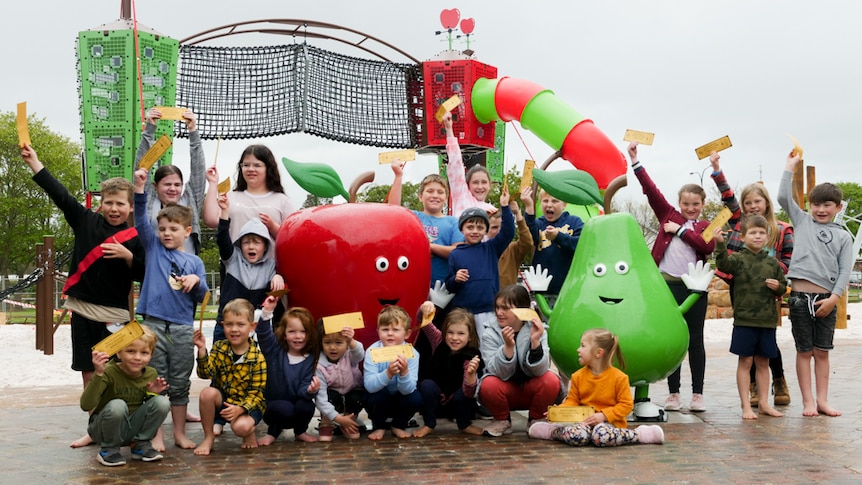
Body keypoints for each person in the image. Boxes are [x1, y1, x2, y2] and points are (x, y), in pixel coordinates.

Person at [21, 144, 146, 449]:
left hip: (115, 317)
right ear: (101, 203)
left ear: (130, 208)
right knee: (89, 372)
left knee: (120, 374)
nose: (114, 209)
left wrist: (128, 256)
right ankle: (94, 428)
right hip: (81, 311)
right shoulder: (85, 220)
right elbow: (59, 194)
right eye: (109, 203)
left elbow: (144, 273)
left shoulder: (135, 237)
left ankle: (123, 427)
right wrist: (35, 162)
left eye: (120, 204)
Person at [628, 142, 715, 412]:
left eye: (695, 204)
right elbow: (651, 192)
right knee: (673, 339)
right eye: (686, 204)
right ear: (679, 203)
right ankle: (673, 393)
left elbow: (706, 246)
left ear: (702, 205)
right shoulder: (667, 214)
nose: (690, 208)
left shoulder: (705, 225)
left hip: (694, 289)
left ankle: (697, 394)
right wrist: (635, 161)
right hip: (666, 286)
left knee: (695, 339)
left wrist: (679, 231)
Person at [710, 151, 794, 407]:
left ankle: (778, 379)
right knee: (748, 339)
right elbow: (727, 194)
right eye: (748, 203)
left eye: (757, 201)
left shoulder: (780, 229)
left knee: (767, 339)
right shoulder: (741, 224)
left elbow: (788, 262)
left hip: (769, 290)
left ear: (766, 202)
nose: (752, 206)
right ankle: (755, 389)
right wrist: (716, 168)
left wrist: (768, 271)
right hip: (743, 287)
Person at [133, 169, 209, 450]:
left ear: (186, 232)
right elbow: (140, 219)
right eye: (162, 229)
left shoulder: (195, 263)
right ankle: (156, 434)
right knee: (155, 378)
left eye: (173, 229)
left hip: (181, 326)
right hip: (153, 323)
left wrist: (197, 282)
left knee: (179, 381)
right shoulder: (153, 247)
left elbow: (203, 298)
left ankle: (178, 433)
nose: (166, 233)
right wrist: (140, 189)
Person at [778, 152, 854, 417]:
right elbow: (782, 198)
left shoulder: (843, 237)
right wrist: (789, 167)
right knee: (804, 351)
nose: (821, 210)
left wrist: (834, 299)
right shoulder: (802, 222)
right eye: (816, 204)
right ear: (809, 205)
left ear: (838, 207)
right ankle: (808, 401)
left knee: (822, 352)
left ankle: (822, 400)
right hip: (800, 298)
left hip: (826, 300)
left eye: (828, 205)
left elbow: (845, 270)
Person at [527, 329, 664, 446]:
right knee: (577, 435)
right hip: (584, 423)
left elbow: (627, 405)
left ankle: (639, 434)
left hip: (610, 425)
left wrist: (604, 416)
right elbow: (573, 401)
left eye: (583, 346)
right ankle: (553, 431)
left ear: (598, 353)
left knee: (601, 436)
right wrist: (559, 411)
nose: (578, 350)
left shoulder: (619, 378)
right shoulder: (578, 376)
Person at [713, 215, 788, 419]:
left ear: (768, 236)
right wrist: (720, 244)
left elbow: (783, 286)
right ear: (743, 237)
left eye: (761, 233)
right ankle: (746, 406)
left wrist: (778, 287)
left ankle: (764, 403)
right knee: (745, 362)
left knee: (763, 363)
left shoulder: (773, 263)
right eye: (753, 233)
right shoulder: (737, 259)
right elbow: (723, 265)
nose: (758, 236)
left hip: (767, 321)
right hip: (745, 321)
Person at [81, 325, 171, 466]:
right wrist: (98, 373)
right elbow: (85, 405)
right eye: (130, 351)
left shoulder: (150, 373)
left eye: (144, 353)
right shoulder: (109, 371)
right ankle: (108, 450)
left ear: (151, 355)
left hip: (130, 428)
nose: (137, 357)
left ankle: (140, 444)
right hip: (103, 429)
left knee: (162, 402)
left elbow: (146, 409)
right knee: (118, 405)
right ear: (119, 353)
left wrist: (152, 394)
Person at [478, 285, 561, 437]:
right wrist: (508, 348)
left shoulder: (538, 329)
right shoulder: (490, 332)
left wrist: (535, 342)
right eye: (497, 307)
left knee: (551, 380)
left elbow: (541, 370)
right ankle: (502, 420)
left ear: (522, 310)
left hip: (531, 390)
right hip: (505, 391)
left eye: (505, 308)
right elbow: (497, 372)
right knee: (488, 384)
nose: (499, 312)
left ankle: (536, 419)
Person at [211, 184, 285, 343]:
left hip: (253, 327)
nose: (251, 246)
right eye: (246, 242)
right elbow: (222, 239)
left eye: (256, 242)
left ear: (265, 246)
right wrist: (224, 211)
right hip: (227, 324)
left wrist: (279, 277)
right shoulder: (233, 259)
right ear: (240, 245)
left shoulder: (271, 266)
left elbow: (278, 292)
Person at [193, 298, 267, 455]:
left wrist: (240, 409)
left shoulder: (257, 358)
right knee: (207, 393)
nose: (234, 329)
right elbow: (205, 373)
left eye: (240, 324)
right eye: (229, 324)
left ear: (252, 327)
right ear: (223, 326)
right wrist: (201, 350)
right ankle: (208, 438)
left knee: (241, 427)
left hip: (248, 405)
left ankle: (249, 432)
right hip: (225, 400)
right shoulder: (220, 347)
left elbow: (257, 394)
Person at [134, 107, 206, 255]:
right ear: (155, 186)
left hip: (186, 270)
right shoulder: (149, 200)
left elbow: (198, 170)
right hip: (155, 267)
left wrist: (193, 131)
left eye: (177, 184)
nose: (173, 188)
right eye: (167, 184)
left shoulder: (189, 200)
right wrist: (149, 129)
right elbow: (141, 168)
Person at [445, 187, 515, 335]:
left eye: (480, 227)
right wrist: (456, 279)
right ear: (462, 230)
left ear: (485, 231)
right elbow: (449, 285)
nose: (475, 231)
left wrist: (505, 206)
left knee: (488, 348)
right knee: (465, 349)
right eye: (470, 227)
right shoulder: (455, 254)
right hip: (463, 313)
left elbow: (508, 232)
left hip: (488, 311)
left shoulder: (491, 248)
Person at [256, 298, 321, 445]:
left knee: (307, 405)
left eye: (303, 332)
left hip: (296, 405)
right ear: (284, 334)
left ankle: (300, 431)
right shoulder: (274, 350)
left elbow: (303, 389)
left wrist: (311, 390)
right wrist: (267, 311)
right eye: (292, 332)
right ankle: (273, 432)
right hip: (274, 405)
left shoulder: (310, 359)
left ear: (309, 334)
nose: (298, 336)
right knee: (283, 408)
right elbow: (264, 334)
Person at [389, 161, 464, 287]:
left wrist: (428, 246)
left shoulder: (454, 222)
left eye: (440, 192)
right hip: (411, 284)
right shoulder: (413, 217)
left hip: (443, 289)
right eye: (430, 191)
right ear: (420, 196)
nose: (435, 195)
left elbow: (458, 252)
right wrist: (398, 176)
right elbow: (392, 210)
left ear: (446, 198)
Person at [203, 144, 295, 243]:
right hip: (234, 258)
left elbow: (292, 238)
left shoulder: (282, 200)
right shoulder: (231, 197)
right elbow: (211, 220)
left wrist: (273, 227)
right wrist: (212, 183)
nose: (251, 169)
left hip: (270, 258)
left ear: (268, 168)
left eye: (257, 165)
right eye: (246, 165)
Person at [414, 306, 483, 437]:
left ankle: (464, 424)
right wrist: (424, 308)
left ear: (470, 336)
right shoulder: (438, 339)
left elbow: (468, 393)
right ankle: (429, 424)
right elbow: (422, 321)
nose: (454, 338)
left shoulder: (471, 356)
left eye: (461, 333)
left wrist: (471, 375)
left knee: (462, 394)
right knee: (426, 385)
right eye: (450, 332)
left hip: (457, 400)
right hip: (437, 396)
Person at [363, 305, 422, 440]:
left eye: (395, 330)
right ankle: (379, 426)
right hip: (379, 399)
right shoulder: (372, 351)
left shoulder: (412, 353)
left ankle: (398, 425)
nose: (390, 333)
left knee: (415, 398)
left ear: (407, 333)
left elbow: (408, 390)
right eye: (385, 329)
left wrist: (404, 372)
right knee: (375, 394)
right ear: (378, 331)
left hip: (400, 398)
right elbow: (370, 386)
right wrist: (388, 373)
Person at [524, 187, 583, 297]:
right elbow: (527, 231)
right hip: (540, 289)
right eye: (545, 201)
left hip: (568, 289)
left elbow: (581, 245)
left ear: (564, 204)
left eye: (555, 201)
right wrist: (528, 206)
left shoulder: (574, 222)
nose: (549, 205)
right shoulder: (539, 224)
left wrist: (558, 237)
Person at [315, 321, 365, 441]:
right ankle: (326, 421)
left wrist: (351, 341)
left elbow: (360, 355)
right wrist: (338, 419)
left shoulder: (349, 355)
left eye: (338, 342)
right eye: (327, 342)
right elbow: (320, 399)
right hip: (332, 394)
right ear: (321, 343)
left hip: (351, 391)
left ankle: (350, 420)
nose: (333, 347)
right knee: (330, 397)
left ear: (346, 343)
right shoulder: (319, 365)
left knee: (357, 397)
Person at [441, 112, 497, 218]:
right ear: (467, 185)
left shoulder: (493, 211)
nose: (480, 187)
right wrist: (449, 129)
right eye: (475, 182)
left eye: (484, 182)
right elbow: (455, 163)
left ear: (490, 184)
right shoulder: (462, 197)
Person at [489, 190, 535, 288]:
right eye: (494, 227)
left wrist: (518, 214)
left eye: (502, 227)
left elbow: (527, 242)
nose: (499, 231)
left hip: (507, 299)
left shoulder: (513, 249)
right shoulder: (481, 248)